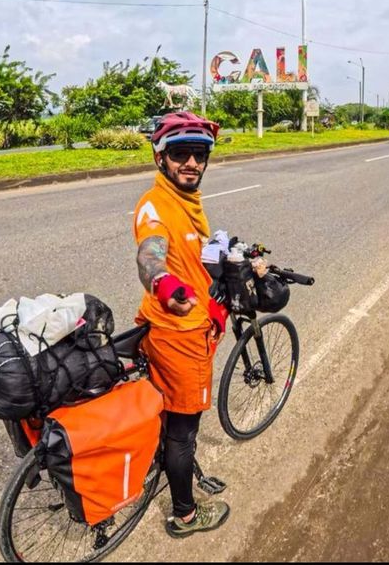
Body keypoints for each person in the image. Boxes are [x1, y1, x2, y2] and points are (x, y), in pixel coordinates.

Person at [132, 111, 230, 537]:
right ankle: (185, 515)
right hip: (180, 336)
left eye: (199, 154)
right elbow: (150, 254)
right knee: (184, 430)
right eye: (180, 154)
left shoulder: (186, 201)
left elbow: (191, 251)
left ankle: (170, 464)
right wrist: (164, 282)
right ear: (161, 158)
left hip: (175, 327)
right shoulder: (155, 206)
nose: (191, 163)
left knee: (170, 416)